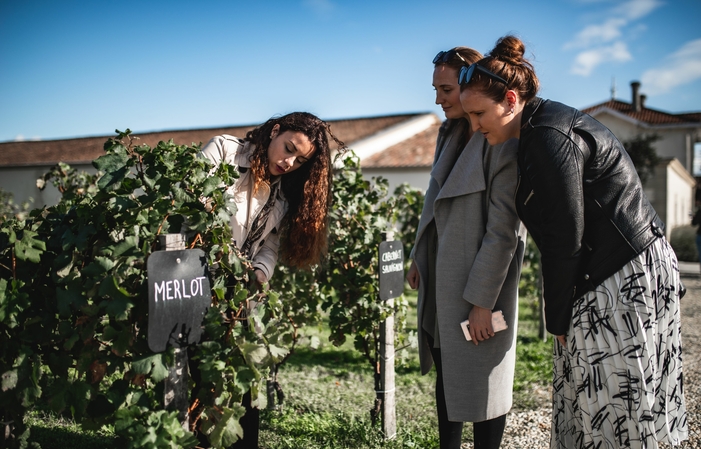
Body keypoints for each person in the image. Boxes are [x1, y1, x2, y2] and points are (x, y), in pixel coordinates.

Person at [459, 35, 688, 449]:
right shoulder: (536, 131)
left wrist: (558, 319)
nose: (474, 126)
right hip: (609, 272)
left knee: (619, 403)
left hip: (621, 274)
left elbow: (565, 236)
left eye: (478, 114)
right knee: (595, 400)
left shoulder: (549, 136)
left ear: (510, 99)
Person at [197, 111, 345, 448]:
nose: (289, 161)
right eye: (289, 148)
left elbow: (270, 241)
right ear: (275, 131)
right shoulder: (223, 151)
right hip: (198, 281)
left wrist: (262, 271)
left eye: (300, 159)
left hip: (241, 293)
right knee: (202, 374)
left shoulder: (282, 188)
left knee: (244, 380)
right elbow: (194, 201)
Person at [406, 47, 526, 449]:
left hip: (482, 283)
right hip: (443, 274)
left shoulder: (503, 141)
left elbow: (504, 230)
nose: (438, 99)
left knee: (486, 380)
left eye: (445, 89)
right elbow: (434, 202)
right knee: (450, 374)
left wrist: (481, 301)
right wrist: (419, 255)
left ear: (470, 86)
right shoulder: (451, 133)